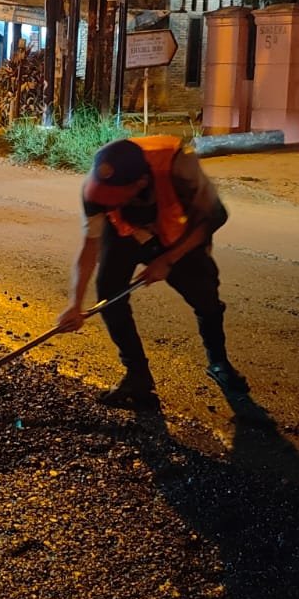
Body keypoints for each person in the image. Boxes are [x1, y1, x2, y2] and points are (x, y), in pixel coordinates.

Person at [55, 135, 249, 412]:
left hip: (180, 234)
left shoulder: (179, 164)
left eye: (114, 196)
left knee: (205, 297)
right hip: (128, 233)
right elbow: (90, 247)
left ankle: (219, 363)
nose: (106, 202)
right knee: (110, 297)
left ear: (140, 183)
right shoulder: (98, 188)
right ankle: (137, 377)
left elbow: (215, 216)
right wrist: (75, 304)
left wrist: (167, 260)